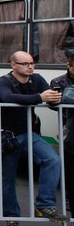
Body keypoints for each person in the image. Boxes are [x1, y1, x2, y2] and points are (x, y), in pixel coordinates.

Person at [0, 50, 66, 226]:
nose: (30, 67)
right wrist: (40, 98)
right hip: (7, 136)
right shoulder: (3, 81)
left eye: (32, 63)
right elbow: (8, 98)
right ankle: (11, 218)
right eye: (25, 64)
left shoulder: (37, 79)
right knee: (8, 178)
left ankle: (44, 204)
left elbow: (49, 97)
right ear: (13, 65)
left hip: (29, 132)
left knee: (53, 159)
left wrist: (55, 100)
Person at [50, 50, 74, 215]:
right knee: (69, 170)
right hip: (69, 129)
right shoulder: (58, 82)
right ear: (69, 66)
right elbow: (54, 102)